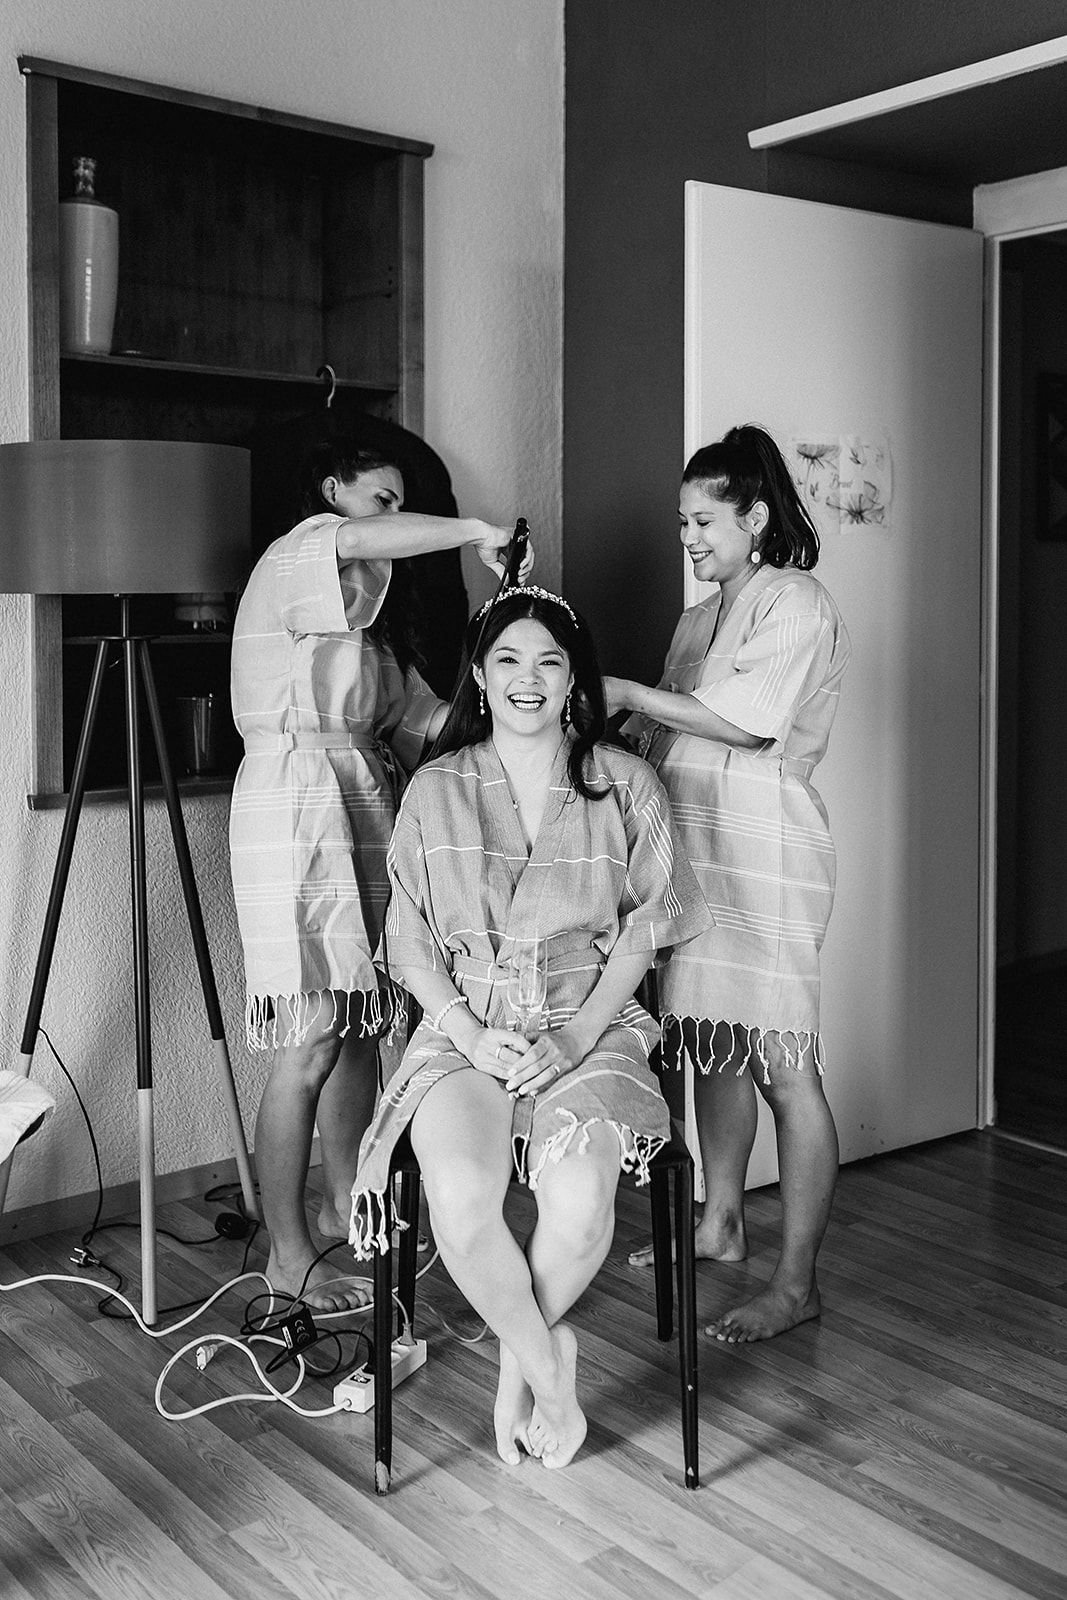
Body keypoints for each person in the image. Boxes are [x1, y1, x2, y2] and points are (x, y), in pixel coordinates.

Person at [349, 587, 709, 1468]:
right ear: (478, 675)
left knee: (581, 1205)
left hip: (589, 1023)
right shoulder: (437, 787)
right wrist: (470, 1034)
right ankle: (553, 1368)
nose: (528, 677)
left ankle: (519, 1368)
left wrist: (578, 1036)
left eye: (550, 661)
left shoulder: (625, 782)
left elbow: (647, 929)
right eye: (507, 659)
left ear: (574, 680)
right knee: (460, 1197)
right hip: (465, 1027)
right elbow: (409, 940)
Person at [229, 440, 524, 1312]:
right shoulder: (295, 556)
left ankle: (337, 1204)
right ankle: (287, 1257)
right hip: (294, 804)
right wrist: (472, 530)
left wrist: (519, 682)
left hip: (361, 799)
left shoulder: (368, 629)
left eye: (402, 504)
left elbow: (426, 724)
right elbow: (359, 540)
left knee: (360, 1023)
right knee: (312, 1034)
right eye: (381, 499)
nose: (392, 517)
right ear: (333, 492)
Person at [605, 424, 850, 1344]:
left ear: (753, 517)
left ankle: (796, 1283)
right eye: (680, 522)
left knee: (784, 1065)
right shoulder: (696, 621)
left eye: (703, 521)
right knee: (710, 1043)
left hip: (768, 855)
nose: (687, 538)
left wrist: (628, 693)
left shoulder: (797, 601)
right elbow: (667, 730)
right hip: (694, 847)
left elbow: (746, 726)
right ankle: (719, 1222)